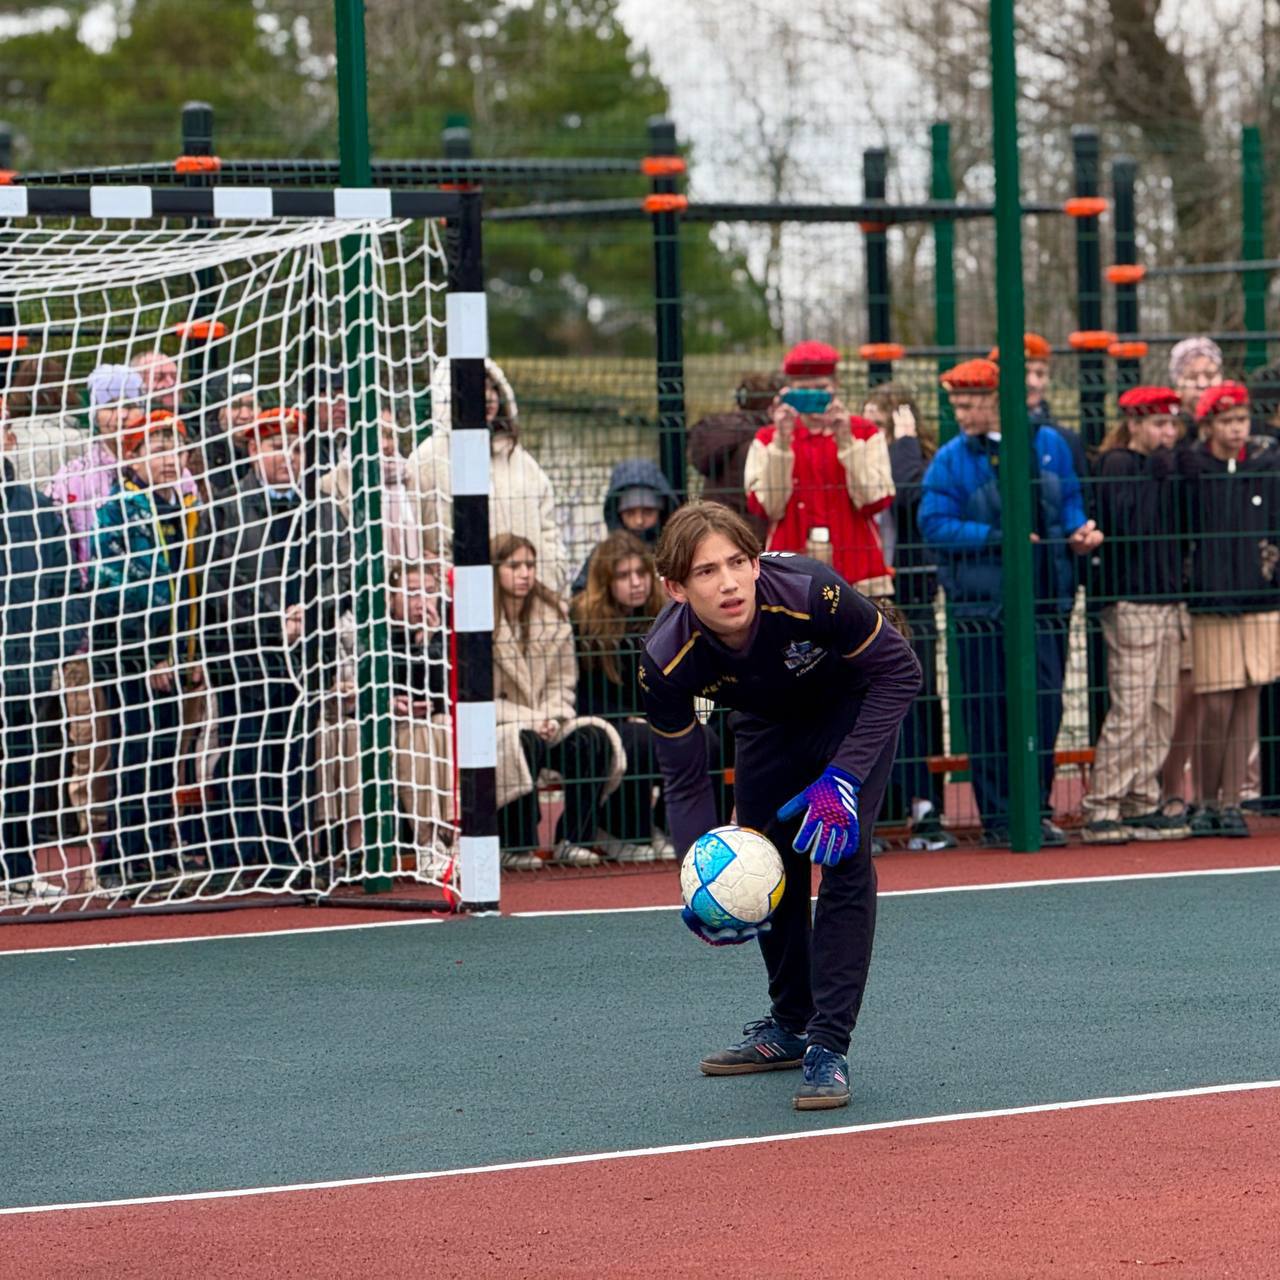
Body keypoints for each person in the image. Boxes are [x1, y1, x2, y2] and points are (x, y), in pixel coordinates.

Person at [640, 502, 919, 1110]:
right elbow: (686, 781)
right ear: (676, 588)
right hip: (766, 721)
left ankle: (828, 1044)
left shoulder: (811, 592)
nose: (729, 582)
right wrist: (699, 875)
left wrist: (843, 776)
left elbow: (901, 670)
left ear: (757, 561)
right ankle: (790, 1023)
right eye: (707, 571)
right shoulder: (665, 660)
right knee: (762, 857)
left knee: (842, 853)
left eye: (739, 562)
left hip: (852, 705)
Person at [918, 359, 1102, 846]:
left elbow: (1070, 503)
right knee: (987, 710)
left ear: (997, 400)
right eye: (955, 403)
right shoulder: (951, 458)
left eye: (968, 403)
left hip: (1045, 600)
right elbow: (933, 523)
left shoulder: (1049, 445)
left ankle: (1035, 808)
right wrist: (999, 536)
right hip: (981, 607)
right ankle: (999, 818)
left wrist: (1079, 531)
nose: (959, 412)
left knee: (1045, 704)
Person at [206, 406, 350, 888]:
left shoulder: (325, 509)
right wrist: (274, 619)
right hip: (244, 655)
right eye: (273, 446)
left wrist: (311, 612)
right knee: (247, 747)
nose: (286, 457)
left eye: (295, 447)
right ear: (252, 450)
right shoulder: (226, 508)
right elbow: (219, 582)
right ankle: (240, 855)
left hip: (308, 653)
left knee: (297, 754)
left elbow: (345, 572)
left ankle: (290, 853)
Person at [92, 411, 208, 894]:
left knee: (167, 751)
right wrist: (154, 654)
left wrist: (190, 649)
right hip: (129, 652)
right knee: (133, 747)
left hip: (177, 652)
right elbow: (123, 590)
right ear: (133, 457)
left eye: (173, 448)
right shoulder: (118, 510)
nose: (166, 459)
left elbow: (193, 589)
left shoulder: (186, 509)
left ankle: (160, 848)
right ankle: (121, 857)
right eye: (154, 449)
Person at [1082, 387, 1191, 843]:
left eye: (1172, 425)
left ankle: (1141, 798)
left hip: (1169, 600)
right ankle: (1103, 804)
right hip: (1132, 601)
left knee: (1161, 709)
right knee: (1131, 707)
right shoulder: (1118, 464)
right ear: (1135, 424)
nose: (1168, 434)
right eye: (1159, 425)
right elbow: (1129, 527)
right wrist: (1158, 478)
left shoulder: (1168, 465)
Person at [1179, 383, 1280, 837]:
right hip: (1211, 602)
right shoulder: (1193, 467)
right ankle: (1203, 798)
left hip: (1259, 601)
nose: (1237, 429)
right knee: (1216, 702)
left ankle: (1232, 800)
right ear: (1208, 425)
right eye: (1227, 421)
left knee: (1248, 699)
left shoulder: (1266, 465)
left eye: (1242, 419)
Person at [491, 533, 624, 871]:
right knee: (520, 741)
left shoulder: (552, 616)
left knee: (594, 736)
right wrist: (530, 720)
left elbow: (563, 684)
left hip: (549, 721)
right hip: (502, 726)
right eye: (514, 565)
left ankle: (574, 838)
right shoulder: (479, 622)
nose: (524, 573)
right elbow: (479, 699)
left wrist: (551, 717)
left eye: (530, 565)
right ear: (495, 570)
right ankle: (516, 843)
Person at [860, 382, 952, 851]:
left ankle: (925, 804)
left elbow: (908, 496)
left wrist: (904, 446)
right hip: (866, 594)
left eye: (885, 426)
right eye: (870, 424)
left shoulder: (921, 463)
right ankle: (874, 808)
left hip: (911, 598)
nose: (874, 435)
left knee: (917, 696)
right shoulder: (856, 461)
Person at [0, 420, 89, 903]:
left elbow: (68, 587)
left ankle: (17, 869)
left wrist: (48, 649)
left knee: (26, 769)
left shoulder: (36, 508)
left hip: (25, 670)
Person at [571, 530, 700, 861]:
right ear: (606, 579)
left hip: (649, 715)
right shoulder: (583, 622)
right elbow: (579, 692)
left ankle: (673, 827)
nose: (636, 583)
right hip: (599, 717)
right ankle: (625, 831)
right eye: (624, 575)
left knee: (706, 741)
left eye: (641, 573)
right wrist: (621, 716)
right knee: (640, 741)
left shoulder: (664, 614)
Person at [744, 340, 895, 598]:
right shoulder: (768, 438)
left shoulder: (864, 432)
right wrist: (782, 442)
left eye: (821, 390)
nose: (814, 399)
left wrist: (846, 441)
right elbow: (768, 507)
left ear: (836, 386)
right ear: (789, 393)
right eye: (804, 392)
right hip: (791, 568)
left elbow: (875, 500)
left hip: (857, 566)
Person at [407, 358, 570, 595]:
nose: (487, 396)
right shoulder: (427, 459)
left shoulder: (521, 461)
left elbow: (549, 533)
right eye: (475, 387)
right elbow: (414, 536)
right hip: (460, 603)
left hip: (526, 605)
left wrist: (549, 577)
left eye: (492, 387)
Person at [687, 372, 783, 540]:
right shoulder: (759, 444)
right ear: (772, 407)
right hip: (749, 538)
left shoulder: (720, 433)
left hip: (714, 529)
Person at [568, 458, 679, 595]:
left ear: (662, 511)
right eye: (630, 513)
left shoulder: (676, 549)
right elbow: (580, 597)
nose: (639, 520)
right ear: (618, 513)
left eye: (648, 512)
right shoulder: (604, 553)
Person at [1168, 336, 1223, 440]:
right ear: (1177, 384)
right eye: (1192, 377)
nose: (1202, 384)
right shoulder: (1168, 429)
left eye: (1210, 375)